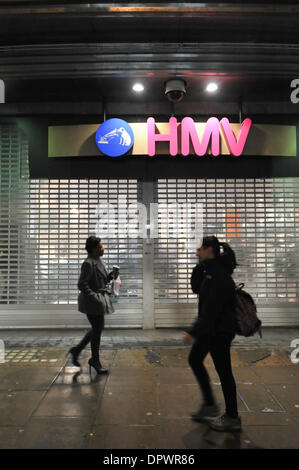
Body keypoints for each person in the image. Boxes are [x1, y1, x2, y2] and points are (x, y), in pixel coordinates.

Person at [183, 235, 241, 432]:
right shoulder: (210, 270)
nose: (197, 252)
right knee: (195, 359)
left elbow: (212, 310)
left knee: (224, 372)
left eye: (201, 249)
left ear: (209, 250)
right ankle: (210, 405)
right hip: (211, 329)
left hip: (219, 331)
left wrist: (194, 331)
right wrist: (200, 265)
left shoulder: (218, 275)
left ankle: (232, 416)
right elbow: (196, 288)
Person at [68, 236, 118, 374]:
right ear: (94, 249)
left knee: (97, 328)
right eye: (101, 246)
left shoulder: (98, 261)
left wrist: (110, 276)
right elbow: (81, 284)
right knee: (97, 329)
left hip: (98, 301)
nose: (103, 249)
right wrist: (94, 296)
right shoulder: (88, 263)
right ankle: (94, 360)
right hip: (91, 302)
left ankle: (77, 350)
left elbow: (100, 281)